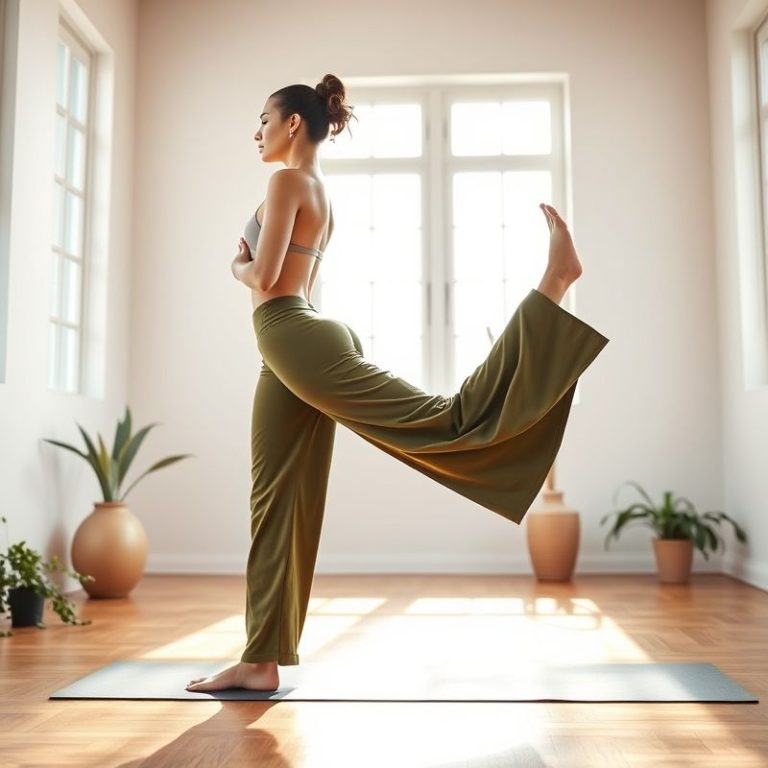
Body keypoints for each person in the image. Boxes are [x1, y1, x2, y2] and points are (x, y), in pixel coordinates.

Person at [186, 74, 609, 693]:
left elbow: (265, 275)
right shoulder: (316, 190)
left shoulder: (285, 182)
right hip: (291, 345)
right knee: (276, 495)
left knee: (448, 419)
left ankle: (554, 283)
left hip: (290, 334)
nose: (258, 133)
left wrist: (233, 262)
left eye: (264, 120)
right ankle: (261, 660)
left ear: (294, 124)